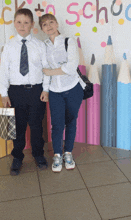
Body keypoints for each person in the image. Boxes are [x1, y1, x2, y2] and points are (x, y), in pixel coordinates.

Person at [0, 8, 50, 176]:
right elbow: (4, 71)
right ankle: (17, 157)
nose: (22, 25)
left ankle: (38, 154)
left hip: (36, 91)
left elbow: (46, 69)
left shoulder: (40, 45)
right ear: (14, 23)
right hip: (16, 92)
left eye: (26, 22)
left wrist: (46, 89)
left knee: (36, 126)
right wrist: (4, 93)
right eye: (19, 22)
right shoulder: (9, 46)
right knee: (18, 127)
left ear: (32, 25)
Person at [39, 13, 85, 172]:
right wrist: (45, 89)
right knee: (57, 124)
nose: (49, 26)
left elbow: (71, 67)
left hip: (73, 88)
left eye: (51, 22)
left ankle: (68, 153)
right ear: (42, 29)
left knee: (71, 121)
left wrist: (52, 72)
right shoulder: (43, 46)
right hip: (54, 91)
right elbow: (44, 70)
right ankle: (57, 155)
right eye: (45, 24)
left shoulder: (69, 41)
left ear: (57, 23)